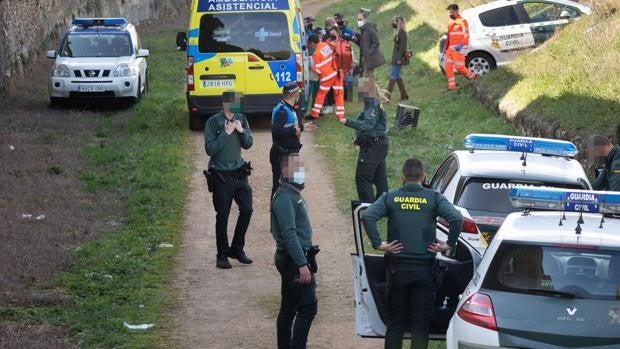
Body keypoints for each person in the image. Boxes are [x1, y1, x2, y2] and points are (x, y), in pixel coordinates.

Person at [362, 158, 463, 349]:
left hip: (397, 268)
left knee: (395, 323)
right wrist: (449, 244)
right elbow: (456, 217)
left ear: (402, 177)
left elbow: (368, 216)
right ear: (424, 176)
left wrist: (379, 244)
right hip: (424, 271)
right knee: (420, 324)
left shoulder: (390, 197)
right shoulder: (433, 198)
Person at [271, 153, 318, 349]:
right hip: (293, 260)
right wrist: (302, 264)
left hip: (292, 258)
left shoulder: (291, 194)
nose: (300, 172)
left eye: (301, 167)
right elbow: (289, 235)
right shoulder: (284, 198)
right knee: (308, 308)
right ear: (284, 171)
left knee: (289, 307)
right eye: (295, 168)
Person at [204, 91, 254, 269]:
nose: (237, 105)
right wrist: (225, 133)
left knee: (247, 209)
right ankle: (222, 254)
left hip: (239, 172)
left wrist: (241, 131)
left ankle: (237, 249)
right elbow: (210, 149)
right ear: (225, 103)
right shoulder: (213, 122)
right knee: (223, 215)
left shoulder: (242, 118)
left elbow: (248, 143)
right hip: (221, 175)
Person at [338, 78, 388, 202]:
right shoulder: (370, 103)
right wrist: (359, 137)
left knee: (363, 178)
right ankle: (383, 206)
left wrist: (347, 121)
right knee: (379, 178)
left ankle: (368, 209)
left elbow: (367, 124)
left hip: (374, 146)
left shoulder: (372, 104)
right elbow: (372, 126)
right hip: (378, 144)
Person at [271, 82, 317, 196]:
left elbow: (294, 127)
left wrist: (302, 128)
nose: (299, 96)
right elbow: (276, 132)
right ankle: (277, 212)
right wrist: (295, 130)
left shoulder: (290, 108)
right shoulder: (281, 111)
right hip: (282, 155)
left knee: (297, 185)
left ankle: (292, 210)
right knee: (280, 188)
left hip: (292, 153)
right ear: (294, 94)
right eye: (298, 93)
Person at [309, 28, 345, 120]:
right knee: (338, 94)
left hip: (327, 77)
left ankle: (314, 114)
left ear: (312, 43)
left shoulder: (316, 54)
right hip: (337, 73)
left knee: (320, 95)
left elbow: (318, 69)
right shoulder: (326, 45)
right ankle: (340, 116)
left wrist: (310, 67)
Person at [443, 4, 476, 91]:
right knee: (447, 67)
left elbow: (466, 35)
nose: (450, 14)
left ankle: (473, 76)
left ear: (457, 11)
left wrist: (461, 45)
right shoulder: (450, 23)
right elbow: (449, 37)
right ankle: (451, 86)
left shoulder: (463, 21)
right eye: (449, 12)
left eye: (452, 12)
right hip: (450, 49)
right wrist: (445, 48)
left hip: (460, 47)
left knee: (459, 67)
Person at [357, 9, 385, 92]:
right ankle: (376, 96)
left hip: (369, 58)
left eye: (360, 19)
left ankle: (371, 97)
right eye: (357, 19)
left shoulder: (370, 29)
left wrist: (368, 54)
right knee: (369, 78)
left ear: (365, 19)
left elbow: (376, 43)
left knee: (367, 77)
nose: (358, 21)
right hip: (365, 58)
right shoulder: (363, 29)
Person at [386, 16, 409, 102]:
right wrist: (395, 30)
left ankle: (387, 97)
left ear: (401, 23)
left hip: (398, 58)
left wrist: (399, 58)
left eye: (397, 21)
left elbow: (403, 47)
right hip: (395, 57)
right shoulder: (398, 32)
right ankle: (404, 94)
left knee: (393, 75)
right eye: (395, 21)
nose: (395, 23)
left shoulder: (402, 32)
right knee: (397, 76)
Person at [304, 34, 320, 118]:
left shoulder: (317, 49)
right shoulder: (306, 51)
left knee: (316, 95)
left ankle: (315, 111)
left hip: (316, 77)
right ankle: (305, 112)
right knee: (308, 95)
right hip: (309, 77)